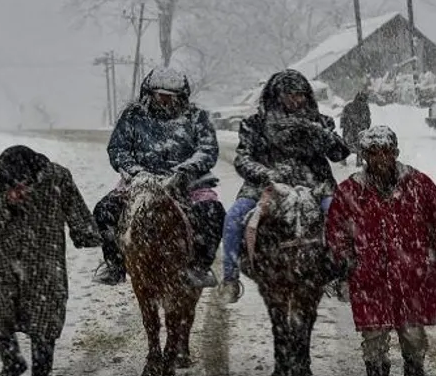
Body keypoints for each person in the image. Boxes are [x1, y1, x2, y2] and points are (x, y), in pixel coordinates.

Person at [325, 125, 436, 376]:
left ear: (395, 152)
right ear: (364, 156)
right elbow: (336, 230)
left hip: (413, 275)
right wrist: (346, 259)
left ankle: (414, 370)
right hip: (369, 277)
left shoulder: (418, 184)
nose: (380, 158)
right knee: (374, 338)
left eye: (386, 151)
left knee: (411, 333)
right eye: (373, 152)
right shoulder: (349, 191)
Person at [0, 145, 101, 376]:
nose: (20, 188)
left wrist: (87, 232)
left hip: (42, 257)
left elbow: (77, 211)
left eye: (25, 183)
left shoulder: (57, 177)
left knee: (45, 314)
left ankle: (41, 375)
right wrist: (3, 202)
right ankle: (11, 361)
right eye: (12, 184)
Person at [218, 69, 351, 303]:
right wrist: (267, 174)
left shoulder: (321, 122)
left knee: (340, 216)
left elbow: (340, 152)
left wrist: (317, 131)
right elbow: (243, 158)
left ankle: (343, 274)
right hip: (264, 187)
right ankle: (230, 278)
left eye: (300, 95)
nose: (295, 100)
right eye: (289, 94)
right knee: (233, 218)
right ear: (276, 95)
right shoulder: (255, 124)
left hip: (315, 185)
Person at [91, 67, 225, 289]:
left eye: (171, 96)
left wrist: (184, 171)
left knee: (213, 213)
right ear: (149, 93)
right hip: (140, 182)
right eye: (160, 94)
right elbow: (118, 149)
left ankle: (200, 267)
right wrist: (136, 172)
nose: (165, 100)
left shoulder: (197, 117)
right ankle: (114, 265)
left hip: (188, 184)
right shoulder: (132, 116)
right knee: (104, 210)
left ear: (181, 96)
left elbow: (207, 150)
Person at [340, 89, 372, 166]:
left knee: (346, 145)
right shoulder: (365, 107)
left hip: (349, 130)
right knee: (360, 146)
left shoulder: (348, 106)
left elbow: (343, 118)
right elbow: (367, 120)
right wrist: (366, 127)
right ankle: (359, 161)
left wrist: (345, 126)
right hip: (359, 130)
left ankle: (343, 160)